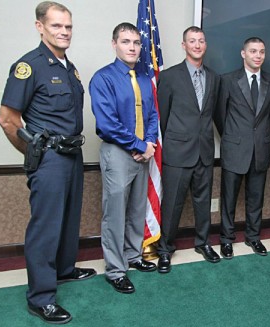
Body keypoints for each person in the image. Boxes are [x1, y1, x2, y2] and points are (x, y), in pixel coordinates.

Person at [0, 2, 96, 323]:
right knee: (45, 226)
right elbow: (7, 119)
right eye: (56, 26)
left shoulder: (69, 68)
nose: (64, 32)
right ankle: (40, 297)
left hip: (72, 153)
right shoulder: (29, 66)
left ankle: (64, 269)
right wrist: (33, 152)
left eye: (68, 26)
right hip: (49, 157)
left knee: (68, 218)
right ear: (40, 27)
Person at [89, 23, 159, 293]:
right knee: (115, 214)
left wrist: (149, 143)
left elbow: (152, 114)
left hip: (143, 153)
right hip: (118, 153)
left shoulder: (143, 77)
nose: (132, 47)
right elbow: (107, 124)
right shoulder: (103, 78)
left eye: (136, 43)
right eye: (126, 41)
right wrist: (138, 145)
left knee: (136, 210)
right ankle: (116, 270)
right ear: (114, 44)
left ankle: (133, 256)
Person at [156, 26, 220, 273]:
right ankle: (165, 249)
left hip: (204, 152)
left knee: (202, 203)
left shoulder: (215, 78)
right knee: (172, 205)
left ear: (205, 45)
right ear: (184, 45)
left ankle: (203, 243)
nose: (197, 45)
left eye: (201, 41)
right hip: (177, 153)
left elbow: (214, 115)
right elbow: (162, 117)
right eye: (192, 41)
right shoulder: (170, 76)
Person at [214, 37, 270, 259]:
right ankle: (226, 239)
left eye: (262, 51)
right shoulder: (228, 80)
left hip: (260, 149)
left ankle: (253, 237)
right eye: (253, 51)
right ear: (244, 54)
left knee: (256, 198)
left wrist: (256, 137)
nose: (258, 56)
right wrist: (235, 137)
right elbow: (220, 116)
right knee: (229, 198)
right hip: (234, 148)